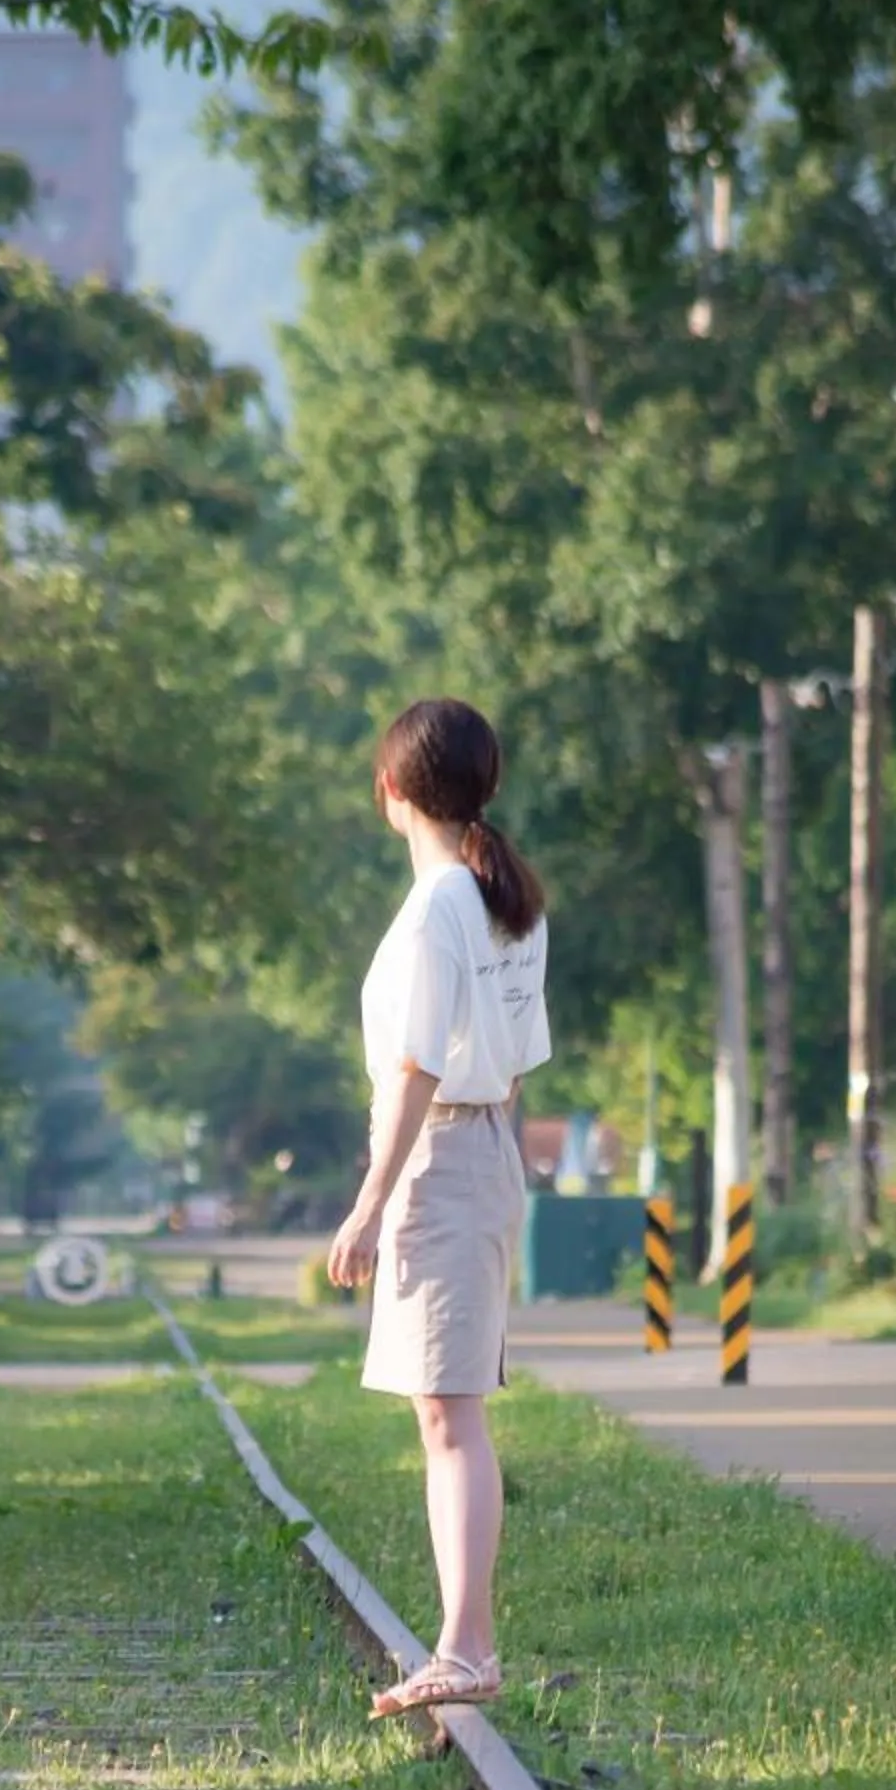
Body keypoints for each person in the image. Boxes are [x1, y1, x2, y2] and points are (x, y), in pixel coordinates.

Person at [325, 698, 550, 1714]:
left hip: (441, 1158)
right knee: (441, 1409)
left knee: (450, 1417)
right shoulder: (500, 898)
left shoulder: (435, 911)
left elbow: (417, 1069)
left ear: (389, 792)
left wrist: (369, 1203)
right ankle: (461, 1646)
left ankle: (464, 1650)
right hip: (479, 1150)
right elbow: (512, 1069)